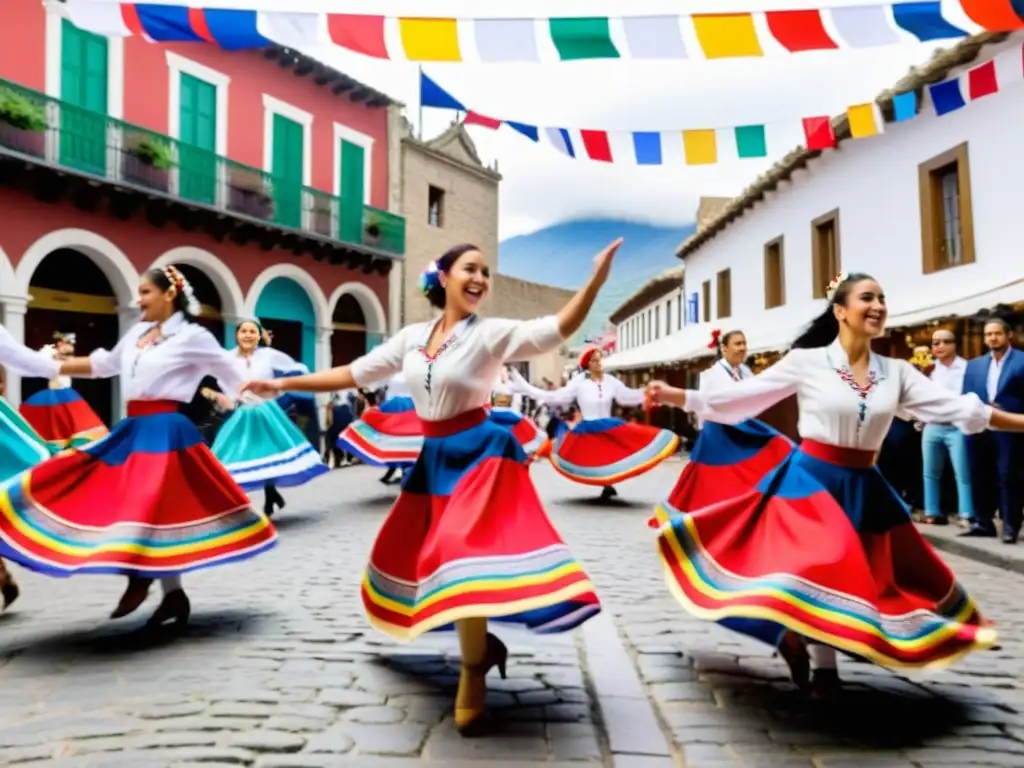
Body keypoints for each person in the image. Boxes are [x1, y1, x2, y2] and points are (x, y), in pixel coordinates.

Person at [241, 240, 620, 735]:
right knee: (431, 558)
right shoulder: (412, 338)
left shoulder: (491, 334)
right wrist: (284, 384)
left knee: (458, 551)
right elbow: (354, 373)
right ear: (443, 277)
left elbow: (556, 330)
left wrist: (595, 281)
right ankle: (481, 649)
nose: (481, 278)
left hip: (481, 455)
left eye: (486, 271)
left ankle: (472, 670)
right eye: (470, 268)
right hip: (435, 459)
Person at [645, 272, 1023, 699]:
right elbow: (741, 400)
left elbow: (959, 409)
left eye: (882, 297)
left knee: (860, 578)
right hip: (809, 482)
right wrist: (679, 396)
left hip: (864, 486)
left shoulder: (897, 372)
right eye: (867, 297)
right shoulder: (807, 362)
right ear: (841, 311)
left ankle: (806, 644)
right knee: (826, 560)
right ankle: (822, 664)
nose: (878, 305)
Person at [0, 266, 278, 629]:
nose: (138, 299)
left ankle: (140, 576)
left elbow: (235, 376)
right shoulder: (137, 334)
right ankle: (173, 595)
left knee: (145, 504)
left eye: (145, 292)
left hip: (166, 432)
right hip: (135, 429)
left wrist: (266, 394)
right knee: (140, 504)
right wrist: (46, 362)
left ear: (168, 295)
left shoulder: (193, 337)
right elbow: (104, 365)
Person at [650, 328, 792, 526]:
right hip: (718, 433)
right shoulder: (711, 375)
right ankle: (700, 519)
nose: (742, 348)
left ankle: (744, 515)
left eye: (744, 343)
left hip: (742, 430)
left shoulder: (746, 372)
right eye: (737, 344)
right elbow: (706, 405)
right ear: (724, 348)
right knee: (711, 480)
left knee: (764, 461)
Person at [510, 349, 679, 501]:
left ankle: (608, 485)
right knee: (591, 458)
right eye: (594, 361)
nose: (599, 363)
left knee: (612, 455)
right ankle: (606, 485)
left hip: (609, 426)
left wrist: (646, 393)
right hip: (588, 429)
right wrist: (526, 387)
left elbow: (626, 397)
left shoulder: (611, 381)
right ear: (587, 365)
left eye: (600, 360)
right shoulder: (578, 382)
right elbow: (556, 397)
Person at [206, 320, 328, 518]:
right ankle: (250, 499)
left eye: (252, 332)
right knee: (237, 455)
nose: (247, 335)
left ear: (259, 335)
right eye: (244, 331)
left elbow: (298, 369)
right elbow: (216, 378)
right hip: (241, 412)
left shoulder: (269, 355)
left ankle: (269, 494)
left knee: (268, 451)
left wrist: (277, 387)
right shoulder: (227, 358)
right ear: (236, 335)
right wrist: (227, 397)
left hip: (266, 410)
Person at [961, 318, 1024, 543]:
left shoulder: (1021, 361)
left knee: (1008, 474)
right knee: (979, 472)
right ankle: (983, 522)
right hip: (979, 426)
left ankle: (1010, 525)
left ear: (1009, 336)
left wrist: (1006, 410)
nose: (992, 338)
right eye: (988, 334)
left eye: (997, 333)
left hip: (1010, 427)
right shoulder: (974, 364)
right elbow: (966, 395)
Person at [19, 332, 108, 449]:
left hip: (66, 393)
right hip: (55, 392)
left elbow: (70, 356)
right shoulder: (49, 353)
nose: (67, 345)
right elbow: (43, 359)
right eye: (65, 342)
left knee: (76, 420)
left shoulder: (67, 356)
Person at [339, 372, 420, 485]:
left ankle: (402, 474)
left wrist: (367, 417)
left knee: (400, 452)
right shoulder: (418, 403)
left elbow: (376, 414)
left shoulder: (392, 402)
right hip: (416, 435)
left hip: (395, 436)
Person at [489, 366, 545, 458]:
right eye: (500, 372)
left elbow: (525, 389)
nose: (502, 374)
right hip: (496, 412)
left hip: (508, 412)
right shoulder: (494, 384)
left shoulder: (511, 385)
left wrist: (517, 376)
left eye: (504, 372)